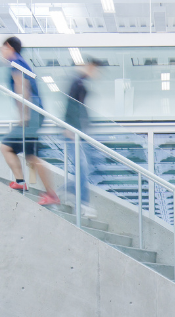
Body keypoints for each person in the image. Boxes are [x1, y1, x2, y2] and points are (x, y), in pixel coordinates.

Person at [0, 37, 59, 207]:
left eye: (2, 48)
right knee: (21, 152)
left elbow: (21, 86)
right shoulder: (21, 62)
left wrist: (24, 115)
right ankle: (21, 181)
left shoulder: (16, 62)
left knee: (23, 153)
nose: (0, 52)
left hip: (31, 115)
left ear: (9, 47)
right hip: (34, 114)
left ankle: (49, 193)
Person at [63, 59, 105, 219]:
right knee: (82, 166)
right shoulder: (77, 82)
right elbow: (71, 105)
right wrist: (68, 127)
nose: (97, 74)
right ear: (91, 67)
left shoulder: (82, 83)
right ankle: (83, 203)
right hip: (73, 131)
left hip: (80, 132)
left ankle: (67, 190)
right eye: (96, 70)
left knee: (89, 166)